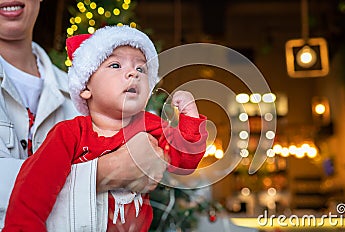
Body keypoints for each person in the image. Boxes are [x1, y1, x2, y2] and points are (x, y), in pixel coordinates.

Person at [4, 25, 208, 231]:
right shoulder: (68, 133)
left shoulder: (150, 126)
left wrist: (189, 116)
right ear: (85, 87)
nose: (132, 74)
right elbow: (35, 189)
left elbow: (185, 159)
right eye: (115, 65)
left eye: (141, 69)